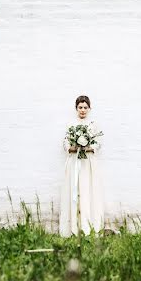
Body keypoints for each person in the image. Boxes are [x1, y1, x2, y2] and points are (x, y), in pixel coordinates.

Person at [59, 95, 104, 236]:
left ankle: (89, 225)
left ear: (89, 108)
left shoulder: (93, 124)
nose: (83, 110)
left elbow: (98, 143)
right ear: (76, 108)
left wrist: (87, 148)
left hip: (87, 163)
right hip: (74, 162)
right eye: (80, 107)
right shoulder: (71, 124)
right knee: (74, 191)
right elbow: (66, 143)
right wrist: (74, 147)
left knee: (88, 190)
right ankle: (73, 226)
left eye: (85, 107)